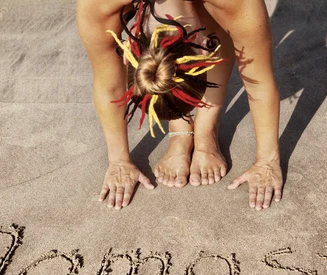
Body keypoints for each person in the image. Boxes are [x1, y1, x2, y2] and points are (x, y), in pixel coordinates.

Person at [76, 0, 283, 210]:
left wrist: (268, 161)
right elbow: (109, 85)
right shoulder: (99, 6)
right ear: (128, 51)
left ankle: (205, 128)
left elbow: (259, 84)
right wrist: (118, 161)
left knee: (226, 14)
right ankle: (181, 128)